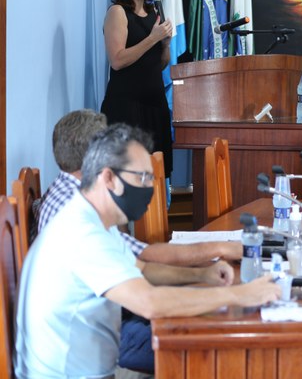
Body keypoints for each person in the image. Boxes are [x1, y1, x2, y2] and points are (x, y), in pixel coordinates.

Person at [15, 123, 281, 378]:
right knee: (227, 354)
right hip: (79, 373)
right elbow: (149, 303)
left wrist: (202, 275)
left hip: (97, 359)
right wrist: (240, 295)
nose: (148, 188)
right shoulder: (82, 232)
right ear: (108, 177)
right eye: (141, 178)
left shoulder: (93, 217)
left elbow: (142, 268)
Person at [101, 0, 174, 178]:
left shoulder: (154, 13)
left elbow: (158, 65)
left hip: (154, 106)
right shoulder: (118, 12)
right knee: (126, 176)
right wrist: (152, 38)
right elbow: (117, 60)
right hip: (126, 107)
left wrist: (165, 45)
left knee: (154, 177)